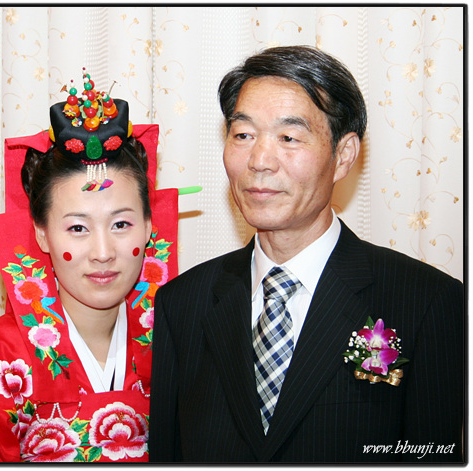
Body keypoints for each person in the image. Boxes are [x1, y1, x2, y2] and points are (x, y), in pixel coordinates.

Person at [149, 46, 464, 463]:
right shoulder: (182, 303)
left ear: (343, 155)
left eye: (288, 138)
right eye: (243, 135)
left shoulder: (427, 301)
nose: (259, 161)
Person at [0, 69, 180, 462]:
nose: (103, 252)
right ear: (42, 234)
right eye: (77, 228)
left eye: (121, 224)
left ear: (148, 227)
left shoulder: (182, 343)